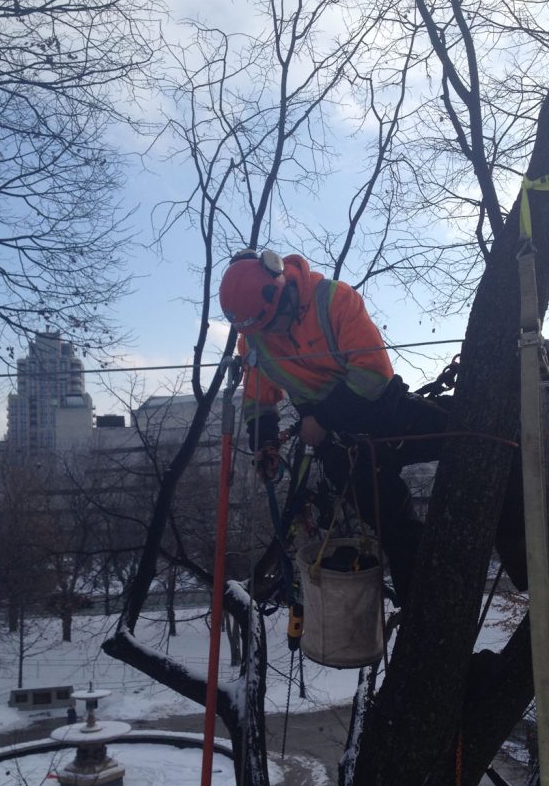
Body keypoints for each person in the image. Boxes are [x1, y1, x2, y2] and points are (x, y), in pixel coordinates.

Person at [219, 248, 528, 602]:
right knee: (395, 528)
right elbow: (259, 399)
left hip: (385, 414)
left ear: (283, 288)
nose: (274, 331)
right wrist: (264, 442)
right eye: (264, 328)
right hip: (339, 449)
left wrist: (321, 418)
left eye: (274, 322)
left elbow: (372, 375)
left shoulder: (334, 300)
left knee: (490, 436)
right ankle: (420, 613)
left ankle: (518, 550)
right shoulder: (255, 337)